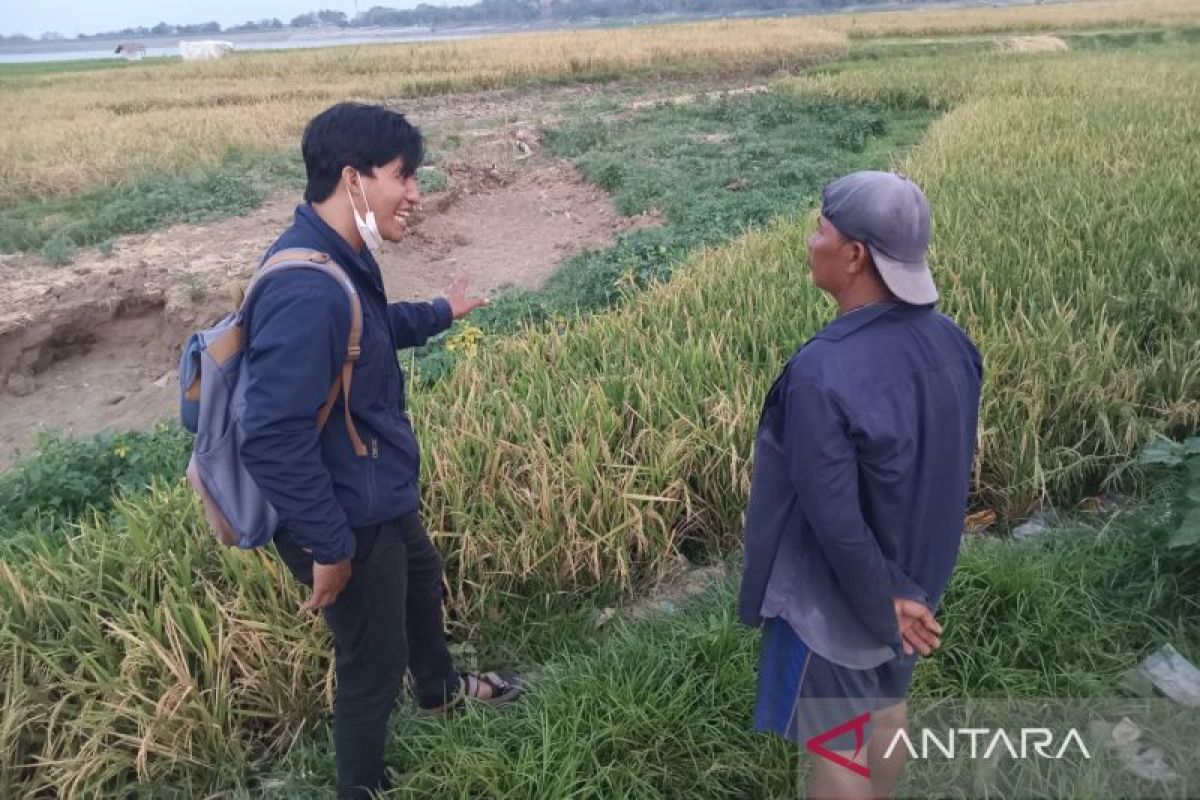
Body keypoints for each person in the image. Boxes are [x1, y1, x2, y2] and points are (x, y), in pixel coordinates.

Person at [239, 102, 521, 799]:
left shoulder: (339, 256)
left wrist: (438, 314)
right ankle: (361, 786)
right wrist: (330, 547)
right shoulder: (307, 288)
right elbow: (270, 436)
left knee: (422, 582)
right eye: (406, 176)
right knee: (371, 659)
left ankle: (440, 691)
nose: (417, 193)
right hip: (342, 514)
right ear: (353, 180)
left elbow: (362, 330)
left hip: (372, 487)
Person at [738, 171, 983, 799]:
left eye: (821, 228)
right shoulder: (952, 343)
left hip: (841, 600)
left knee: (834, 747)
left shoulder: (823, 373)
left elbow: (834, 520)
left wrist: (880, 600)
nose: (810, 241)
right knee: (885, 706)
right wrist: (905, 597)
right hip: (919, 585)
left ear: (854, 255)